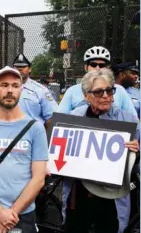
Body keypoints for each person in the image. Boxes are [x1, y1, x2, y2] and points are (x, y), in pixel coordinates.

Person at [0, 66, 48, 233]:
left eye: (15, 85)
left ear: (21, 89)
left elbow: (39, 178)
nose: (10, 90)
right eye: (4, 85)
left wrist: (11, 214)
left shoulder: (35, 128)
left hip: (22, 214)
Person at [61, 68, 139, 233]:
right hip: (79, 193)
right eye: (98, 92)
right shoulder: (73, 118)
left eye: (109, 91)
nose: (105, 96)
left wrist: (136, 153)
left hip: (112, 198)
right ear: (86, 96)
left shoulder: (128, 120)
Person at [58, 46, 137, 117]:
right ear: (86, 67)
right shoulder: (72, 91)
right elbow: (60, 117)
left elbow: (133, 119)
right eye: (93, 64)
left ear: (107, 68)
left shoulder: (119, 90)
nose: (98, 68)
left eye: (102, 65)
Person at [12, 54, 58, 127]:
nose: (20, 69)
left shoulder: (40, 90)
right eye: (17, 67)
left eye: (23, 67)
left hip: (33, 133)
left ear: (30, 69)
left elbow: (51, 117)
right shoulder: (4, 89)